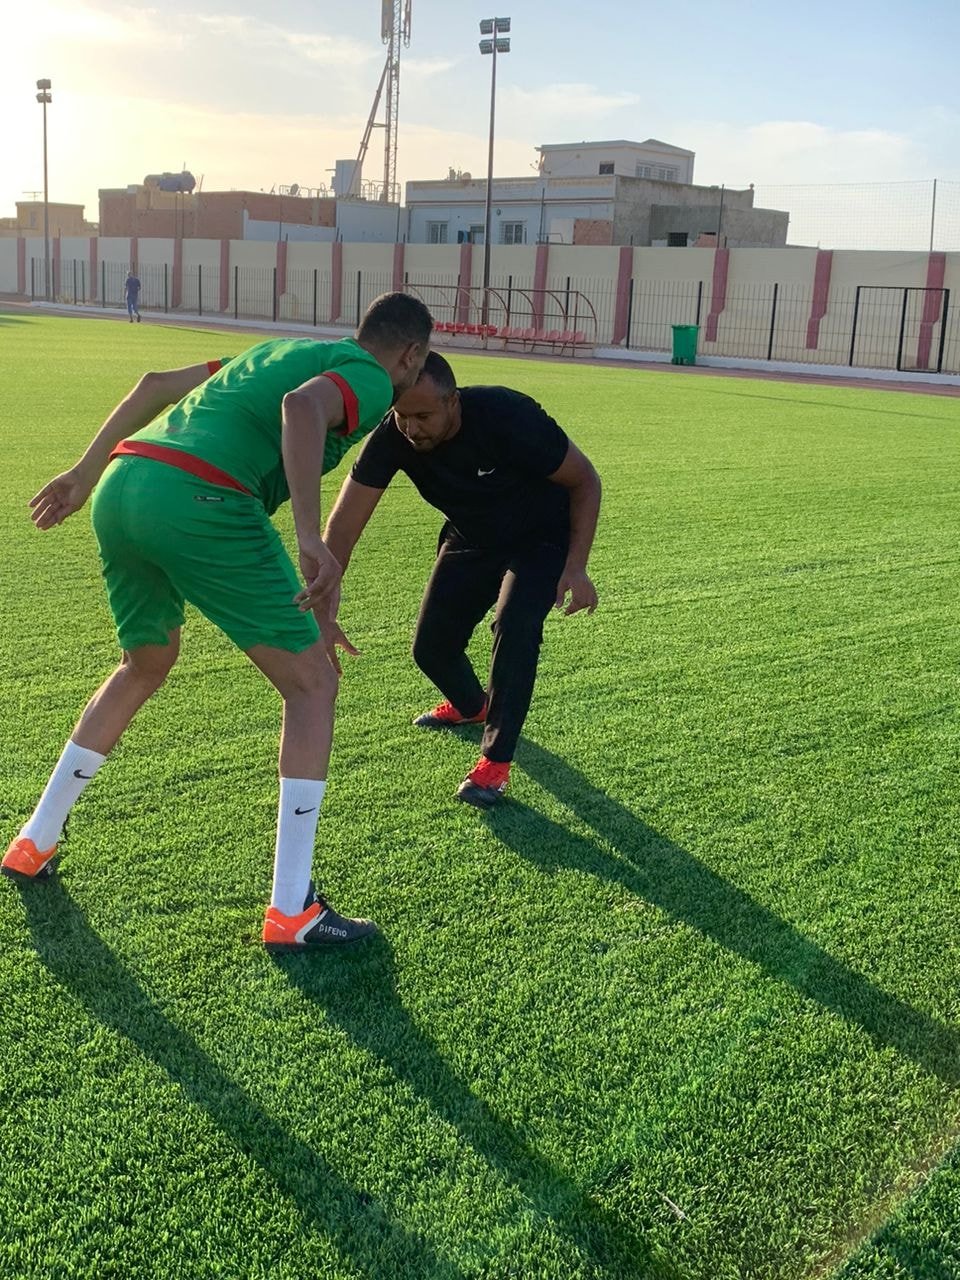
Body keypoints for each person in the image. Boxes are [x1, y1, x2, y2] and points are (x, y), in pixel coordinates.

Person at [2, 291, 433, 949]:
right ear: (411, 354)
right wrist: (309, 535)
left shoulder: (275, 351)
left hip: (123, 485)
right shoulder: (372, 377)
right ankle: (292, 909)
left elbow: (154, 384)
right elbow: (302, 409)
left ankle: (34, 840)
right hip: (201, 496)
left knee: (144, 663)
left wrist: (84, 472)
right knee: (313, 685)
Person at [321, 351, 601, 809]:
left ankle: (495, 762)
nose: (411, 428)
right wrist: (323, 609)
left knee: (514, 625)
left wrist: (576, 565)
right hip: (472, 535)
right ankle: (473, 707)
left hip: (541, 537)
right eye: (402, 415)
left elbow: (585, 480)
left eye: (423, 416)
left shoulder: (507, 415)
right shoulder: (394, 435)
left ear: (453, 401)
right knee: (431, 648)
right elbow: (343, 526)